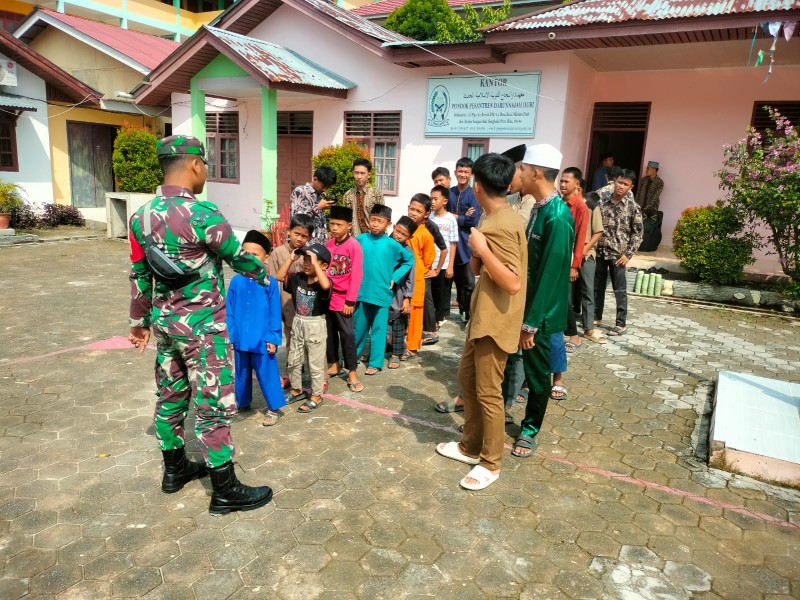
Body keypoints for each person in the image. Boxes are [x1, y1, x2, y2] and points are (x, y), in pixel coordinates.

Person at [127, 134, 272, 516]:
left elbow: (140, 273)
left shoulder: (139, 217)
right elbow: (239, 257)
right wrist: (264, 273)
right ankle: (225, 491)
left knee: (171, 397)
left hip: (166, 326)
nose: (206, 170)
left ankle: (174, 472)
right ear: (194, 165)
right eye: (206, 163)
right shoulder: (203, 214)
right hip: (204, 329)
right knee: (212, 404)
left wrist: (138, 321)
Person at [435, 153, 526, 491]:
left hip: (496, 320)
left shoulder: (501, 223)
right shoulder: (497, 217)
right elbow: (477, 270)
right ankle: (470, 446)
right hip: (482, 316)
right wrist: (479, 251)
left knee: (488, 393)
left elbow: (513, 281)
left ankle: (491, 462)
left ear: (477, 185)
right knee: (467, 379)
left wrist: (482, 249)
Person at [513, 144, 574, 459]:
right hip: (525, 303)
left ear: (535, 172)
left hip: (542, 314)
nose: (518, 173)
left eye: (522, 169)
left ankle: (530, 429)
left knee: (538, 376)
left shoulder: (558, 216)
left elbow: (552, 274)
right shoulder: (538, 207)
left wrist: (531, 323)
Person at [226, 230, 286, 426]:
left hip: (262, 340)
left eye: (255, 254)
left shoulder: (269, 283)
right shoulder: (236, 281)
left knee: (267, 373)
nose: (250, 257)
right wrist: (231, 336)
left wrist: (273, 337)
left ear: (266, 257)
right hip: (241, 338)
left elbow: (275, 313)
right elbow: (230, 311)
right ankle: (242, 403)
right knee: (241, 373)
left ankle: (274, 407)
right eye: (246, 253)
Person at [354, 204, 414, 375]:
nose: (375, 224)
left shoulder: (392, 244)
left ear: (388, 224)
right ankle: (352, 358)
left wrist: (395, 277)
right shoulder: (360, 240)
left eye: (380, 221)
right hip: (362, 292)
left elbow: (409, 261)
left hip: (382, 294)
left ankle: (375, 362)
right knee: (359, 328)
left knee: (379, 330)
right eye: (373, 220)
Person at [276, 244, 332, 412]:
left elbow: (326, 286)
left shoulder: (324, 282)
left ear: (323, 266)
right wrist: (291, 259)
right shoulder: (297, 278)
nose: (307, 263)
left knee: (315, 363)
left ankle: (316, 395)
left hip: (316, 325)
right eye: (305, 260)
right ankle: (296, 390)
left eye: (312, 261)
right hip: (298, 322)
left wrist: (316, 265)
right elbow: (279, 276)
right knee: (293, 359)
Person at [595, 169, 643, 336]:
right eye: (619, 182)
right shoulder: (603, 201)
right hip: (600, 251)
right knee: (597, 287)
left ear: (631, 187)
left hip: (618, 256)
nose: (621, 186)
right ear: (614, 181)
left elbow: (638, 233)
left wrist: (628, 255)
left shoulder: (633, 207)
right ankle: (596, 317)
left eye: (625, 184)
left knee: (620, 290)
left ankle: (620, 323)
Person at [267, 213, 313, 388]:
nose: (300, 239)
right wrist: (274, 309)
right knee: (291, 343)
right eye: (297, 234)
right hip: (287, 306)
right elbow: (272, 282)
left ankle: (318, 375)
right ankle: (292, 374)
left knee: (311, 343)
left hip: (308, 307)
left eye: (304, 236)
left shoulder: (310, 254)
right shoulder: (277, 253)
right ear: (289, 231)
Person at [325, 205, 364, 393]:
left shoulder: (354, 246)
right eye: (331, 224)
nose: (334, 228)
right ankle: (334, 364)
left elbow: (356, 274)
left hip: (344, 299)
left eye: (338, 224)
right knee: (329, 333)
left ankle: (353, 371)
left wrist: (350, 300)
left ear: (348, 225)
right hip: (327, 297)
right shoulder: (329, 244)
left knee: (347, 335)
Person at [448, 157, 481, 323]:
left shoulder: (474, 194)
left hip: (466, 243)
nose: (462, 174)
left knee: (468, 282)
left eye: (466, 172)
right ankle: (445, 314)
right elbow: (441, 215)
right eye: (460, 171)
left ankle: (467, 313)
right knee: (450, 280)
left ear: (471, 174)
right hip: (449, 243)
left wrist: (453, 217)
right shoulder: (449, 193)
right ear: (455, 172)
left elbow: (473, 219)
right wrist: (461, 216)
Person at [406, 193, 437, 356]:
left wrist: (420, 270)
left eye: (418, 211)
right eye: (411, 209)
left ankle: (412, 346)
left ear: (426, 215)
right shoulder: (403, 228)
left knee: (416, 312)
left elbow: (428, 259)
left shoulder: (426, 235)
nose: (413, 213)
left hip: (417, 278)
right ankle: (396, 340)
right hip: (402, 278)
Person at [387, 216, 417, 369]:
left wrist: (407, 298)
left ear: (409, 237)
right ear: (393, 227)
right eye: (397, 231)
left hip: (399, 292)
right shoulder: (384, 244)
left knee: (399, 321)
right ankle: (378, 350)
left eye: (403, 234)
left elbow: (411, 277)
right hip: (382, 290)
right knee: (379, 323)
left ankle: (396, 354)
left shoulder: (408, 252)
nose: (398, 235)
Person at [429, 185, 458, 328]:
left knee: (442, 294)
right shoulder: (428, 217)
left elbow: (453, 243)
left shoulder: (451, 219)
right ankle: (431, 319)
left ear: (445, 201)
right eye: (431, 199)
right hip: (430, 262)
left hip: (444, 263)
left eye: (436, 199)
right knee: (431, 294)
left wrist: (450, 265)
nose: (432, 202)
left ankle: (439, 319)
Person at [580, 191, 606, 344]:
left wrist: (585, 249)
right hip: (567, 253)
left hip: (586, 253)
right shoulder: (561, 205)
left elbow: (598, 231)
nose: (563, 186)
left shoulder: (591, 206)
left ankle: (589, 327)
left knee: (588, 291)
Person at [289, 166, 337, 246]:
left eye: (327, 187)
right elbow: (296, 219)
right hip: (305, 245)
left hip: (320, 245)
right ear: (315, 179)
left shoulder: (322, 195)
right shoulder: (300, 192)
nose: (325, 189)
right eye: (323, 186)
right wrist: (318, 208)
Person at [342, 158, 384, 237]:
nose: (359, 176)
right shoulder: (347, 195)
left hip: (373, 239)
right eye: (356, 173)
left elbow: (382, 219)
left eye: (362, 173)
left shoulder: (376, 194)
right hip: (354, 239)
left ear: (369, 175)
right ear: (353, 173)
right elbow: (345, 220)